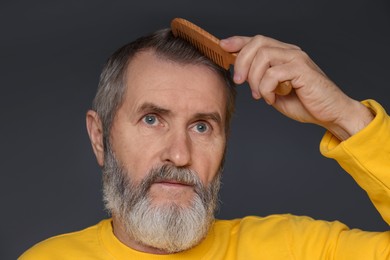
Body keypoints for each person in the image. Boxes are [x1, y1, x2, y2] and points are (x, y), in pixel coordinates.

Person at [19, 25, 390, 259]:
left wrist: (347, 116)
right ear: (99, 138)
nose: (180, 155)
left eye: (201, 127)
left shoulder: (298, 249)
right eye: (152, 119)